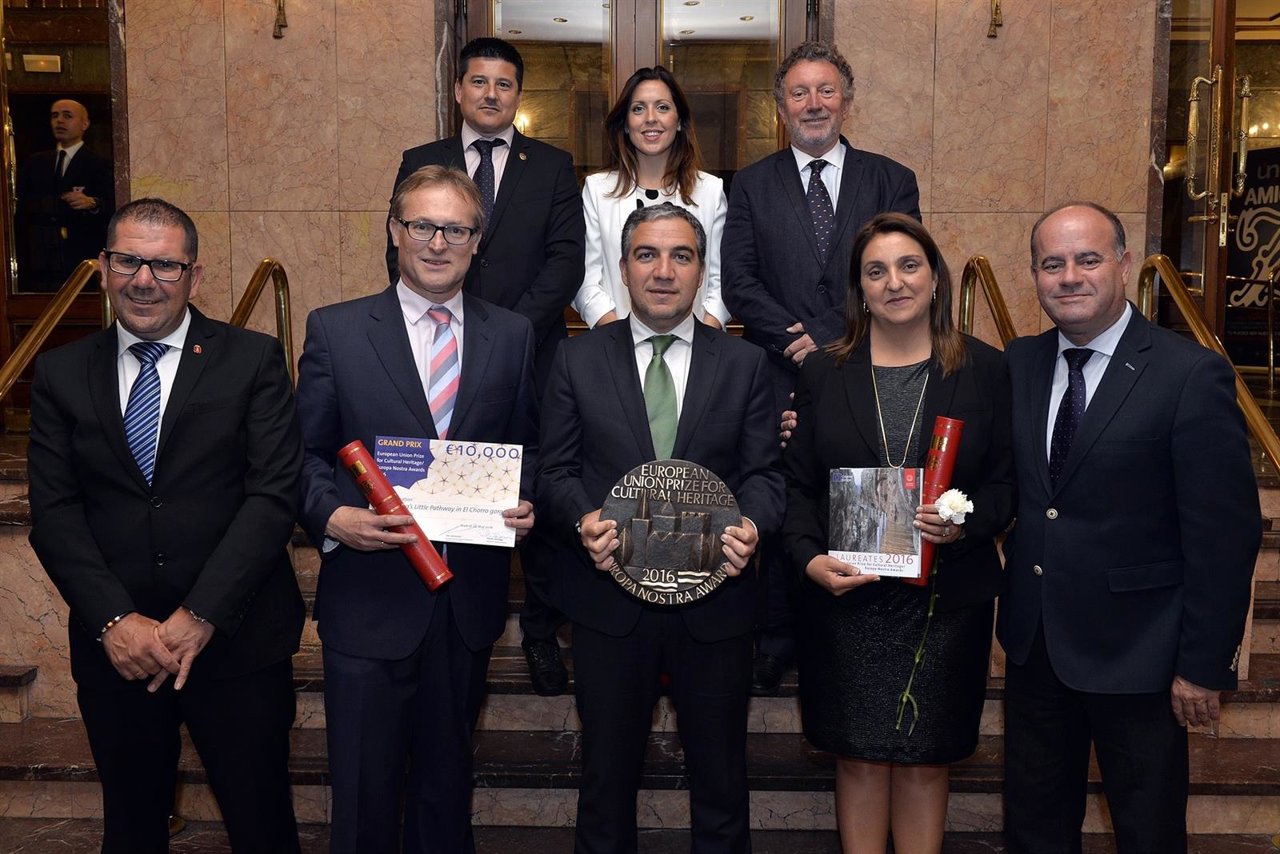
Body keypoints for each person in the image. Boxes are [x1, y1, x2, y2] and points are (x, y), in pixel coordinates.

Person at [26, 198, 304, 853]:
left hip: (237, 643)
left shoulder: (252, 360)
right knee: (131, 828)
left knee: (261, 825)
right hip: (115, 650)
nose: (143, 279)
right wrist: (114, 622)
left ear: (195, 277)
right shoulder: (63, 371)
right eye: (127, 260)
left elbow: (272, 497)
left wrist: (200, 613)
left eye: (164, 266)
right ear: (102, 267)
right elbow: (55, 512)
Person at [999, 202, 1262, 852]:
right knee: (1034, 832)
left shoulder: (1187, 373)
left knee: (1147, 834)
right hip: (1037, 653)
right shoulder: (1018, 365)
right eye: (1051, 263)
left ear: (1123, 264)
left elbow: (1225, 537)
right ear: (1033, 274)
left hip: (1142, 659)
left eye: (1087, 259)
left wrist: (1202, 664)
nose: (1069, 277)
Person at [298, 165, 538, 854]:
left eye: (456, 228)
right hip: (368, 600)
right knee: (364, 802)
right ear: (394, 232)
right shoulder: (336, 332)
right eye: (423, 225)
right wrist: (333, 518)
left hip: (463, 605)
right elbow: (299, 458)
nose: (438, 242)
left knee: (444, 796)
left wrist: (530, 503)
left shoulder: (513, 337)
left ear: (476, 241)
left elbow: (533, 451)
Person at [538, 203, 783, 853]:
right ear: (623, 268)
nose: (664, 270)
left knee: (722, 783)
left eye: (681, 255)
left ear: (703, 269)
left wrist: (754, 524)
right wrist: (582, 517)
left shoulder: (746, 365)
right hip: (608, 607)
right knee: (605, 784)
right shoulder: (576, 361)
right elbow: (555, 470)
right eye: (647, 254)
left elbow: (765, 474)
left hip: (717, 610)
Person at [781, 212, 1014, 852]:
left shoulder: (987, 370)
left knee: (926, 757)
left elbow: (1005, 486)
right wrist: (808, 560)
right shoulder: (825, 372)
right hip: (848, 593)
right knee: (855, 757)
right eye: (876, 271)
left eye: (909, 266)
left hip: (946, 600)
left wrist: (964, 519)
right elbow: (797, 487)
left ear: (935, 278)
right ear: (859, 289)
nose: (894, 283)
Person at [385, 36, 584, 696]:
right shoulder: (423, 161)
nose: (491, 93)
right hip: (436, 354)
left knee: (532, 497)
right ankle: (445, 614)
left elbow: (565, 262)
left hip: (530, 357)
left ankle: (539, 633)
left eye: (504, 84)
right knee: (450, 490)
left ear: (517, 95)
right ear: (459, 91)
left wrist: (508, 332)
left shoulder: (554, 165)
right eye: (479, 82)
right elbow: (405, 256)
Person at [721, 40, 921, 694]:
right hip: (777, 373)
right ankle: (778, 636)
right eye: (799, 92)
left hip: (870, 371)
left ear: (847, 100)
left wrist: (837, 340)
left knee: (863, 495)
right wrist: (792, 337)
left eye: (825, 90)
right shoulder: (748, 185)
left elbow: (904, 272)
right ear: (781, 107)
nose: (813, 103)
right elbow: (739, 281)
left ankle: (858, 634)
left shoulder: (891, 179)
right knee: (783, 499)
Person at [575, 65, 728, 329]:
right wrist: (619, 339)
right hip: (615, 343)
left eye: (662, 107)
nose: (650, 118)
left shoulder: (711, 191)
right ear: (625, 123)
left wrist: (704, 338)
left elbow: (721, 280)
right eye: (638, 108)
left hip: (698, 346)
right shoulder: (597, 190)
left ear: (679, 121)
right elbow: (586, 280)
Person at [16, 98, 115, 291]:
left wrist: (93, 203)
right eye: (55, 116)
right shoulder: (35, 163)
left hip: (80, 260)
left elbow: (114, 205)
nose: (59, 121)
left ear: (85, 124)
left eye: (67, 116)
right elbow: (21, 206)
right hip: (40, 261)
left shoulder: (100, 164)